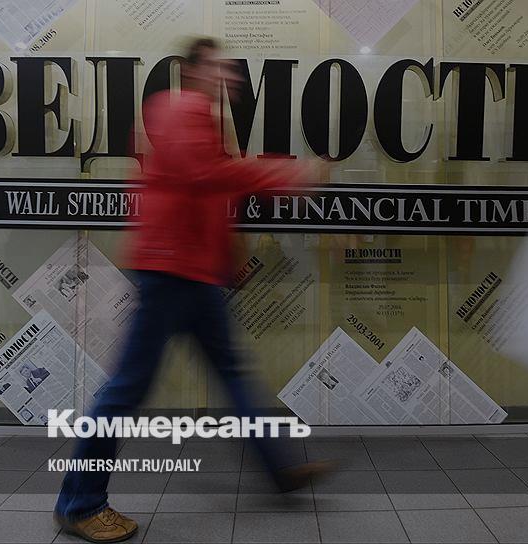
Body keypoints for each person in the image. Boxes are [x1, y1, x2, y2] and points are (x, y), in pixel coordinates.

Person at [53, 37, 329, 543]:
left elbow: (207, 188)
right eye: (222, 68)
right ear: (194, 70)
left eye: (232, 70)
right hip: (170, 270)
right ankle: (79, 504)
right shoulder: (179, 109)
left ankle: (280, 469)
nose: (231, 77)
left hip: (193, 272)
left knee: (232, 374)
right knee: (128, 388)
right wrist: (289, 173)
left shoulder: (200, 116)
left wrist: (228, 253)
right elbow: (205, 174)